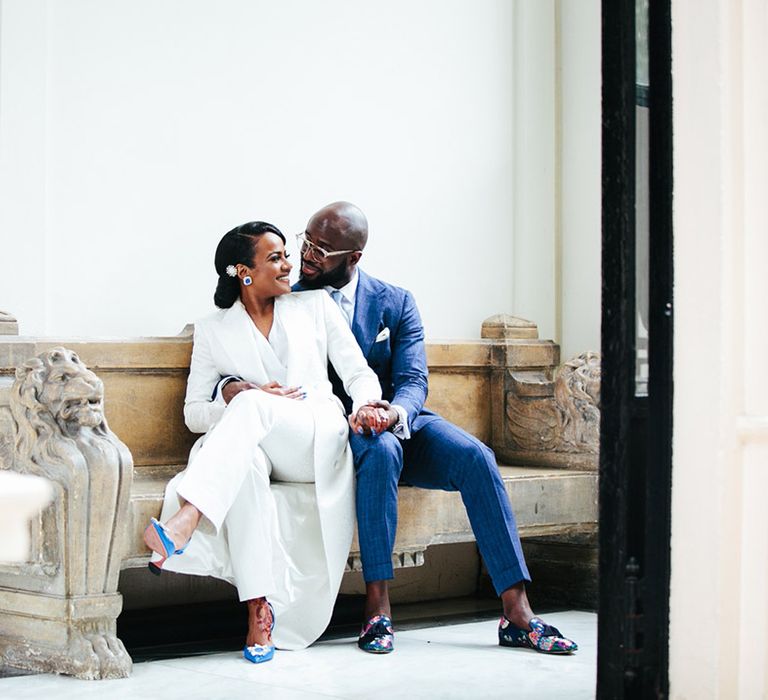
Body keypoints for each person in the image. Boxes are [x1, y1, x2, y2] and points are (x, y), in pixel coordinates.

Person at [293, 202, 578, 655]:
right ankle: (377, 610)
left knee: (476, 457)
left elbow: (412, 380)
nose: (306, 255)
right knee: (382, 450)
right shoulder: (289, 302)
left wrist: (393, 413)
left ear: (354, 258)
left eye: (321, 249)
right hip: (335, 430)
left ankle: (517, 612)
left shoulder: (395, 301)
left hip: (398, 421)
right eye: (305, 241)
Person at [143, 221, 384, 664]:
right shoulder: (213, 329)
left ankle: (188, 517)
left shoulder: (315, 306)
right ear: (243, 272)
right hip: (260, 447)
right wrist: (233, 397)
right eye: (275, 258)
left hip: (315, 438)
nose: (289, 263)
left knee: (252, 404)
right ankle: (260, 610)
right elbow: (194, 414)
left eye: (285, 255)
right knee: (248, 458)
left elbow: (357, 372)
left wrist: (367, 404)